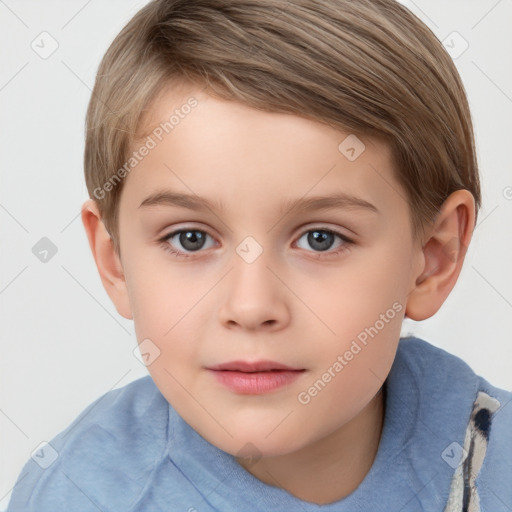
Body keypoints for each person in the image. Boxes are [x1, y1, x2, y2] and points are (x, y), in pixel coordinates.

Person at [7, 0, 511, 510]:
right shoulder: (76, 495)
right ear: (115, 261)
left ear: (432, 257)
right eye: (191, 239)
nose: (251, 306)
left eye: (321, 238)